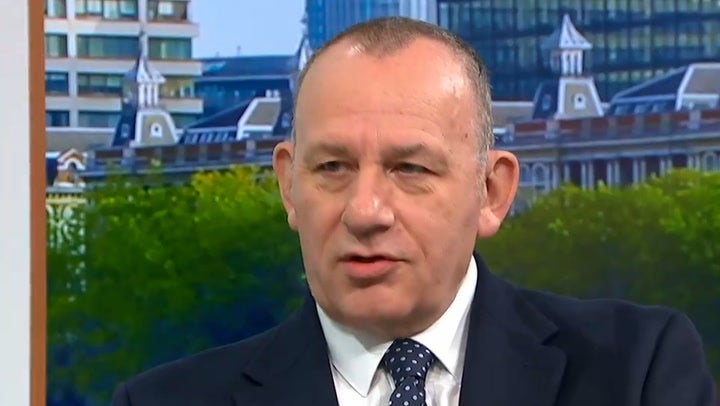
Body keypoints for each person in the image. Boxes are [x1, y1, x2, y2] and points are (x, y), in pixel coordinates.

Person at [111, 17, 717, 406]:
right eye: (333, 168)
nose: (365, 211)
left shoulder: (636, 372)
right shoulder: (163, 402)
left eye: (410, 169)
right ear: (289, 187)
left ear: (491, 193)